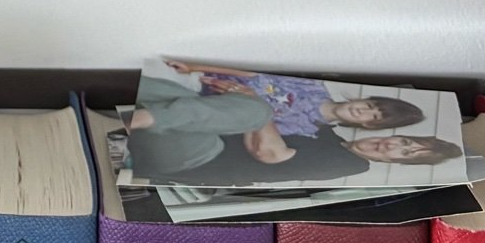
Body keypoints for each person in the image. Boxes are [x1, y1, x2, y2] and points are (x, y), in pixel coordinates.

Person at [126, 88, 460, 187]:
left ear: (395, 163)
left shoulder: (350, 164)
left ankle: (139, 118)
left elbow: (268, 153)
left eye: (403, 153)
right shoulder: (326, 132)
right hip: (196, 132)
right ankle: (133, 117)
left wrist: (257, 112)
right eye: (404, 141)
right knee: (171, 92)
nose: (392, 145)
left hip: (200, 159)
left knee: (257, 111)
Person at [177, 63, 427, 142]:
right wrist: (193, 67)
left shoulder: (305, 129)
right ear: (365, 98)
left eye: (372, 116)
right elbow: (250, 73)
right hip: (198, 80)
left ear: (369, 126)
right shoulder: (313, 86)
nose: (362, 110)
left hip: (207, 109)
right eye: (370, 105)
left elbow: (249, 128)